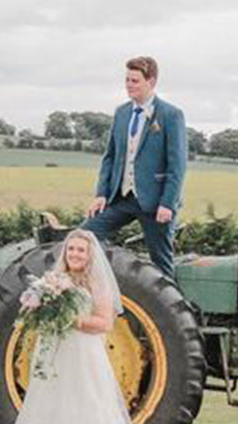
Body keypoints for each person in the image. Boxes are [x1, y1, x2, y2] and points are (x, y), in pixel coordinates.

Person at [0, 230, 229, 424]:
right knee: (52, 404)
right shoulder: (55, 280)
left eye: (80, 251)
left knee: (85, 405)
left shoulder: (98, 284)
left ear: (89, 255)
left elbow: (104, 323)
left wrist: (72, 320)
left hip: (83, 353)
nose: (74, 254)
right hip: (58, 353)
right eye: (71, 249)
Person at [83, 56, 186, 278]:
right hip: (122, 198)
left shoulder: (170, 115)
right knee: (84, 235)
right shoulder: (122, 112)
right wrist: (101, 194)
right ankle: (107, 282)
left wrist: (167, 203)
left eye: (135, 81)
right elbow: (110, 156)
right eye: (127, 80)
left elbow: (177, 165)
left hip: (155, 203)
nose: (129, 85)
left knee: (161, 262)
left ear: (151, 82)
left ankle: (170, 310)